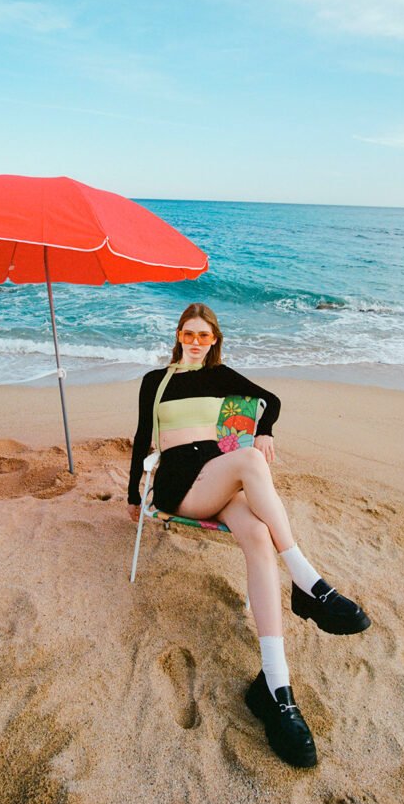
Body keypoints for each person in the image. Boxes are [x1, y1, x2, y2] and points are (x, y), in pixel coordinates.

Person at [127, 303, 371, 768]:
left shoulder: (223, 376)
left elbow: (269, 402)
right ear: (178, 335)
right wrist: (133, 496)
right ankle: (308, 583)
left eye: (205, 336)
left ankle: (276, 689)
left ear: (214, 340)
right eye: (189, 334)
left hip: (218, 477)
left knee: (258, 535)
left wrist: (266, 430)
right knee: (251, 462)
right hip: (179, 484)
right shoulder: (154, 381)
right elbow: (143, 435)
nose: (196, 342)